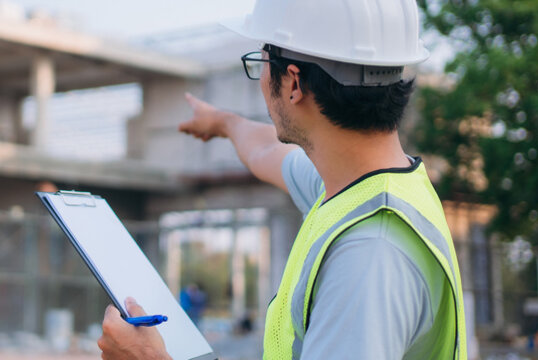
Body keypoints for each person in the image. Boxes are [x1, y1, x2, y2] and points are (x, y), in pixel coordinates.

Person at [95, 0, 468, 358]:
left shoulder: (369, 256)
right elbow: (265, 153)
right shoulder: (362, 185)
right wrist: (224, 124)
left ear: (293, 83)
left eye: (262, 61)